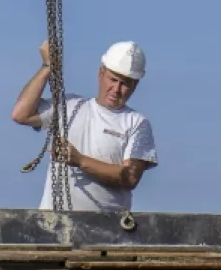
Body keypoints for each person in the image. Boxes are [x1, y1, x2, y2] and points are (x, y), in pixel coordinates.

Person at [11, 40, 158, 211]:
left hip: (107, 228)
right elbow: (20, 114)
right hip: (54, 222)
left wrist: (79, 160)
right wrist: (47, 67)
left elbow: (130, 177)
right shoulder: (70, 106)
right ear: (100, 74)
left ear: (135, 86)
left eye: (125, 84)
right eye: (113, 79)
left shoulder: (136, 123)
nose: (116, 89)